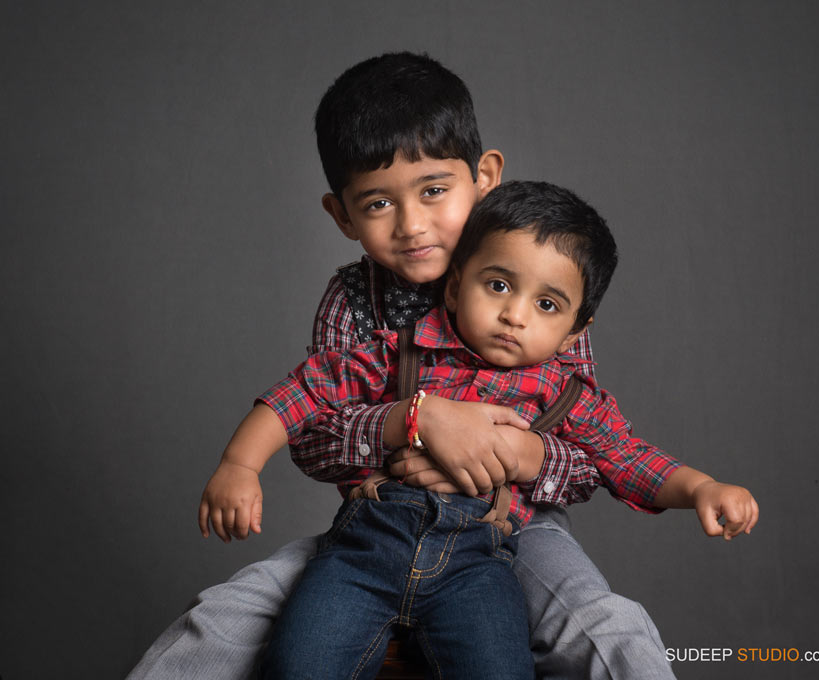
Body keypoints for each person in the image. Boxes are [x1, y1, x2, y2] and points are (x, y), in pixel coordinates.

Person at [127, 52, 750, 680]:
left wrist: (522, 454)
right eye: (378, 203)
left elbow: (598, 454)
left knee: (608, 626)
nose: (412, 225)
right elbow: (313, 437)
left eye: (433, 191)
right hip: (377, 523)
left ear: (484, 178)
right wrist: (414, 420)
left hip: (515, 527)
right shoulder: (354, 301)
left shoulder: (540, 277)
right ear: (342, 215)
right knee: (218, 624)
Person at [200, 180, 758, 679]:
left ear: (574, 333)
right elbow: (306, 390)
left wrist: (701, 487)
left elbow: (626, 457)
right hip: (365, 549)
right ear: (454, 287)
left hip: (479, 563)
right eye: (497, 286)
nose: (516, 315)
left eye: (546, 304)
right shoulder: (400, 353)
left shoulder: (567, 393)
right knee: (300, 662)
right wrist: (240, 464)